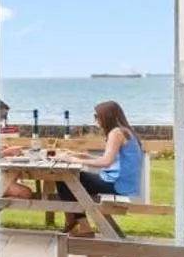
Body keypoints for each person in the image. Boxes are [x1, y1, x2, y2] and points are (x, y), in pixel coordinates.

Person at [55, 100, 146, 235]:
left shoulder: (116, 133)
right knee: (71, 181)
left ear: (106, 116)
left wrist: (72, 159)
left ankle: (81, 226)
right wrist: (82, 156)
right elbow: (112, 160)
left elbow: (106, 162)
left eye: (97, 116)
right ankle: (73, 223)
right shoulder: (125, 131)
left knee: (65, 179)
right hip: (125, 183)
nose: (95, 119)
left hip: (117, 184)